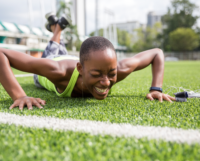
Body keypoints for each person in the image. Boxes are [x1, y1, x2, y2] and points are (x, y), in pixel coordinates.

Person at [0, 12, 175, 110]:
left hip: (80, 61)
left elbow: (157, 53)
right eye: (98, 75)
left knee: (61, 49)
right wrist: (20, 96)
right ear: (80, 69)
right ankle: (57, 29)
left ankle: (56, 26)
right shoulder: (58, 71)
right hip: (55, 61)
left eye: (111, 73)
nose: (106, 82)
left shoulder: (116, 71)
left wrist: (156, 89)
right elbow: (2, 54)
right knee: (53, 49)